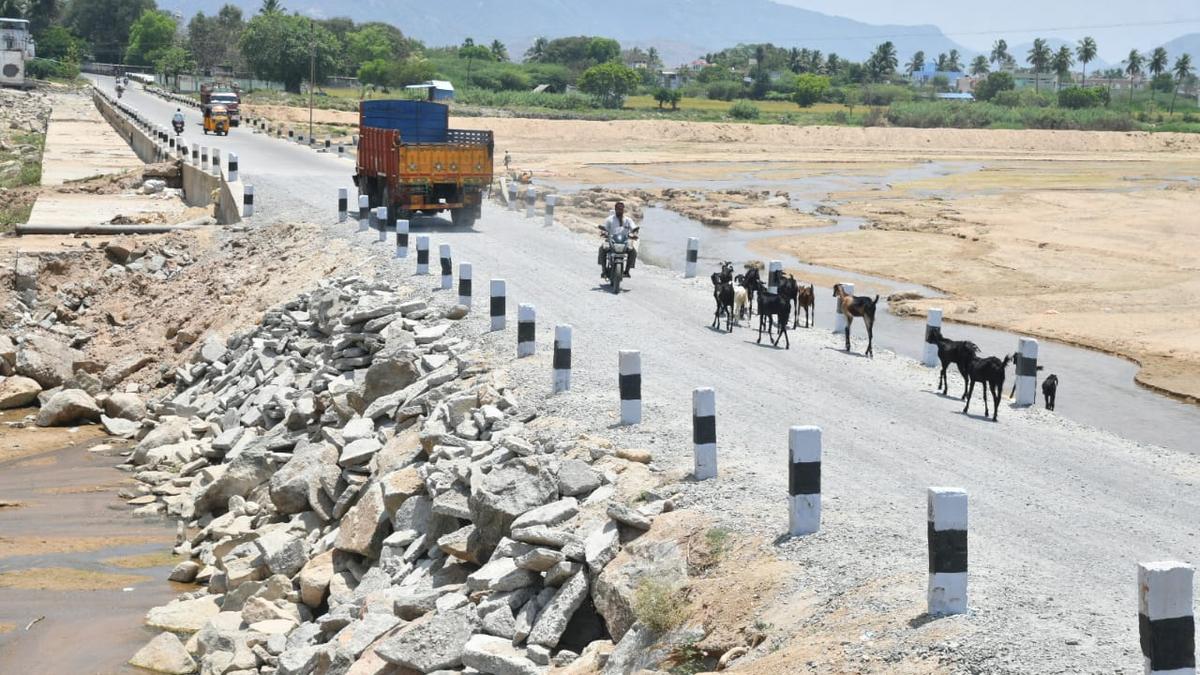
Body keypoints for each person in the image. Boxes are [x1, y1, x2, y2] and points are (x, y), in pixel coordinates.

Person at [598, 201, 639, 279]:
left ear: (623, 209)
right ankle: (604, 270)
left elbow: (634, 228)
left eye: (621, 209)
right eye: (618, 209)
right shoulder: (609, 219)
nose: (620, 210)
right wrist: (604, 232)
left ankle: (627, 271)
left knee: (633, 251)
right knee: (602, 249)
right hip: (611, 240)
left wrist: (634, 234)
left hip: (624, 241)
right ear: (615, 209)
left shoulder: (628, 220)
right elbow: (604, 227)